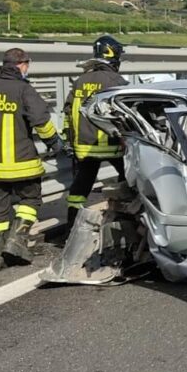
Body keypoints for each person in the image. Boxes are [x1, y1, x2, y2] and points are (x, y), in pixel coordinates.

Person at [0, 48, 65, 270]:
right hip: (22, 163)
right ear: (22, 65)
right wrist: (55, 144)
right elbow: (41, 123)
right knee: (30, 200)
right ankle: (17, 241)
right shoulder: (24, 90)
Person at [63, 36, 129, 234]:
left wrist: (70, 142)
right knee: (129, 180)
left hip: (84, 146)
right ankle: (124, 222)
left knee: (80, 188)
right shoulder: (117, 81)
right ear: (114, 56)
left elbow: (68, 113)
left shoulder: (80, 82)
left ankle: (71, 230)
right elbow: (127, 114)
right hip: (113, 145)